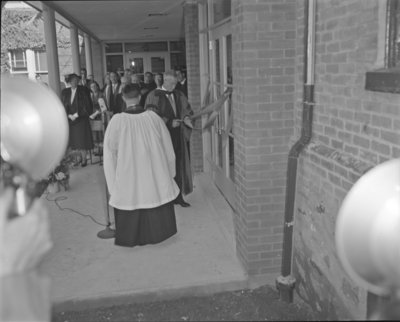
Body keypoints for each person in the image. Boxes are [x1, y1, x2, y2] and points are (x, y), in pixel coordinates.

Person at [103, 83, 180, 247]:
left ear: (123, 98)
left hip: (128, 172)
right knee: (154, 194)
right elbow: (168, 146)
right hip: (153, 173)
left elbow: (109, 154)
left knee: (131, 197)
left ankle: (132, 237)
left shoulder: (117, 121)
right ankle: (158, 234)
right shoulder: (153, 118)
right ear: (140, 97)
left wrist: (113, 184)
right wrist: (169, 173)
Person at [145, 70, 193, 207]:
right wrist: (169, 122)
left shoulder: (179, 94)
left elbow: (187, 110)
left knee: (178, 165)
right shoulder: (153, 95)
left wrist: (187, 118)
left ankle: (178, 197)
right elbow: (151, 116)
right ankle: (165, 198)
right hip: (162, 138)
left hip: (178, 136)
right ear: (165, 81)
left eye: (175, 83)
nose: (174, 86)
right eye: (172, 83)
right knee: (164, 166)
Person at [61, 73, 94, 167]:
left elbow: (88, 106)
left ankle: (84, 159)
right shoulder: (65, 92)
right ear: (69, 82)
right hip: (71, 120)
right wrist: (68, 115)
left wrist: (77, 114)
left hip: (81, 119)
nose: (74, 82)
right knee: (75, 141)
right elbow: (63, 105)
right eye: (72, 81)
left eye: (76, 80)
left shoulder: (83, 90)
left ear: (78, 81)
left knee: (82, 141)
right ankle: (78, 159)